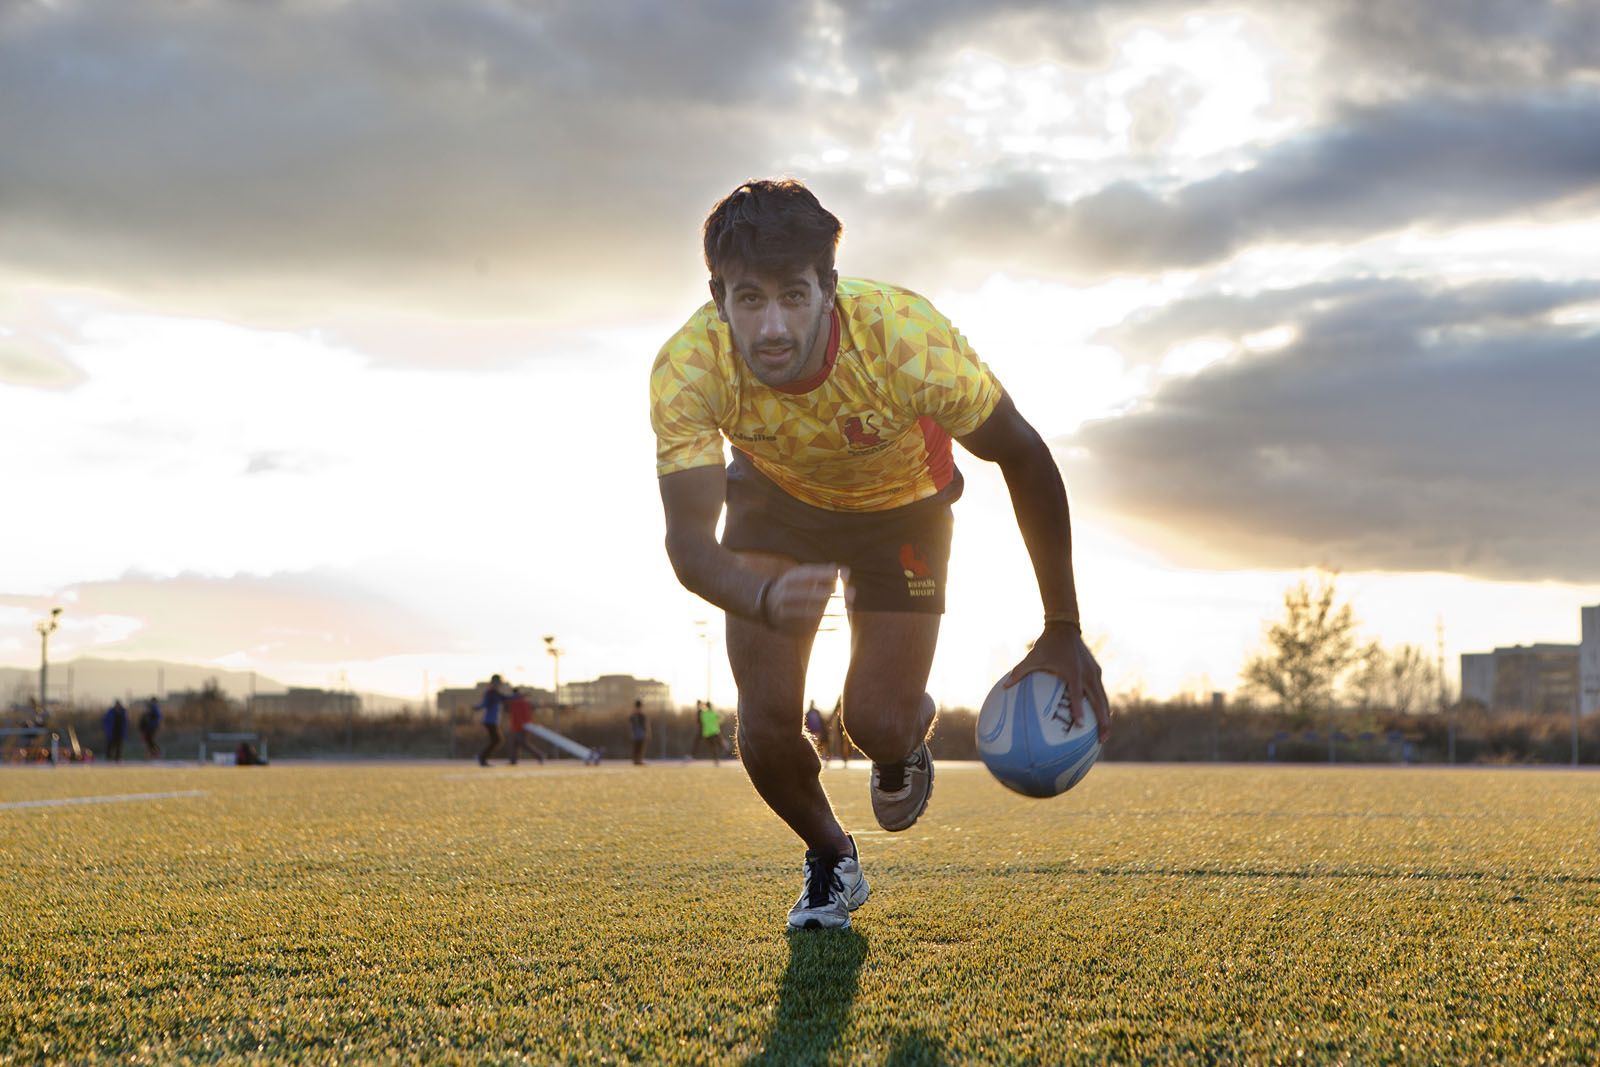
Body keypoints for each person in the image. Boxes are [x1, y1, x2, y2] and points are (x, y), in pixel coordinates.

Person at [650, 179, 1111, 931]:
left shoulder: (906, 338)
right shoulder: (688, 367)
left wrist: (1062, 623)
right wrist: (761, 595)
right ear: (717, 294)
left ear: (829, 287)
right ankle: (831, 855)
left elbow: (1024, 455)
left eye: (794, 296)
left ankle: (904, 739)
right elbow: (689, 542)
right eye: (748, 299)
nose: (771, 326)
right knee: (764, 726)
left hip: (904, 508)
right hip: (777, 504)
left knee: (875, 720)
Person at [473, 674, 511, 767]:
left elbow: (505, 698)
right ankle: (482, 757)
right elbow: (485, 703)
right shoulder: (491, 692)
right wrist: (478, 707)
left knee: (497, 740)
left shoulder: (495, 692)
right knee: (497, 740)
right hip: (490, 721)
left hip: (494, 721)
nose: (499, 684)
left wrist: (518, 696)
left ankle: (482, 758)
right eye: (498, 682)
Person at [506, 688, 545, 766]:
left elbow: (523, 715)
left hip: (521, 727)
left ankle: (539, 755)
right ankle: (513, 761)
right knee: (514, 744)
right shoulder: (520, 702)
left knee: (522, 744)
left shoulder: (519, 703)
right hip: (519, 726)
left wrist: (524, 725)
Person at [695, 700, 724, 766]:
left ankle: (716, 759)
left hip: (706, 733)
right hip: (715, 731)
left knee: (713, 747)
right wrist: (719, 722)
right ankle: (725, 751)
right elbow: (721, 717)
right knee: (720, 744)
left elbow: (699, 722)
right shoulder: (714, 713)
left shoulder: (703, 714)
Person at [804, 700, 828, 766]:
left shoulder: (816, 712)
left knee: (817, 746)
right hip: (811, 732)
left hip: (817, 731)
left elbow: (821, 721)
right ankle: (814, 760)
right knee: (814, 746)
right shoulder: (808, 713)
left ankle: (818, 759)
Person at [628, 700, 649, 765]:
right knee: (636, 748)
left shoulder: (642, 716)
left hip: (641, 734)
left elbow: (646, 725)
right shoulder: (633, 716)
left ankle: (639, 760)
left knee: (641, 748)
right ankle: (636, 760)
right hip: (636, 734)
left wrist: (647, 732)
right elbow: (630, 725)